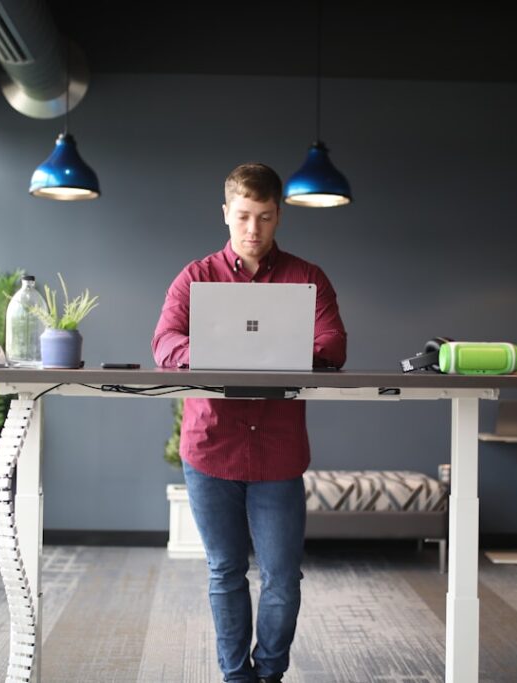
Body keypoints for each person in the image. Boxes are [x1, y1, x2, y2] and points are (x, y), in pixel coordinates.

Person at [152, 163, 346, 682]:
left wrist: (272, 352)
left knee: (283, 578)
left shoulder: (307, 278)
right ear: (225, 214)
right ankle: (236, 678)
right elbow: (165, 343)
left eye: (264, 217)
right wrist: (218, 353)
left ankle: (270, 674)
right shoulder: (195, 277)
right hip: (211, 447)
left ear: (279, 214)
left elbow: (331, 346)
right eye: (243, 217)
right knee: (225, 571)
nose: (253, 230)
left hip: (279, 453)